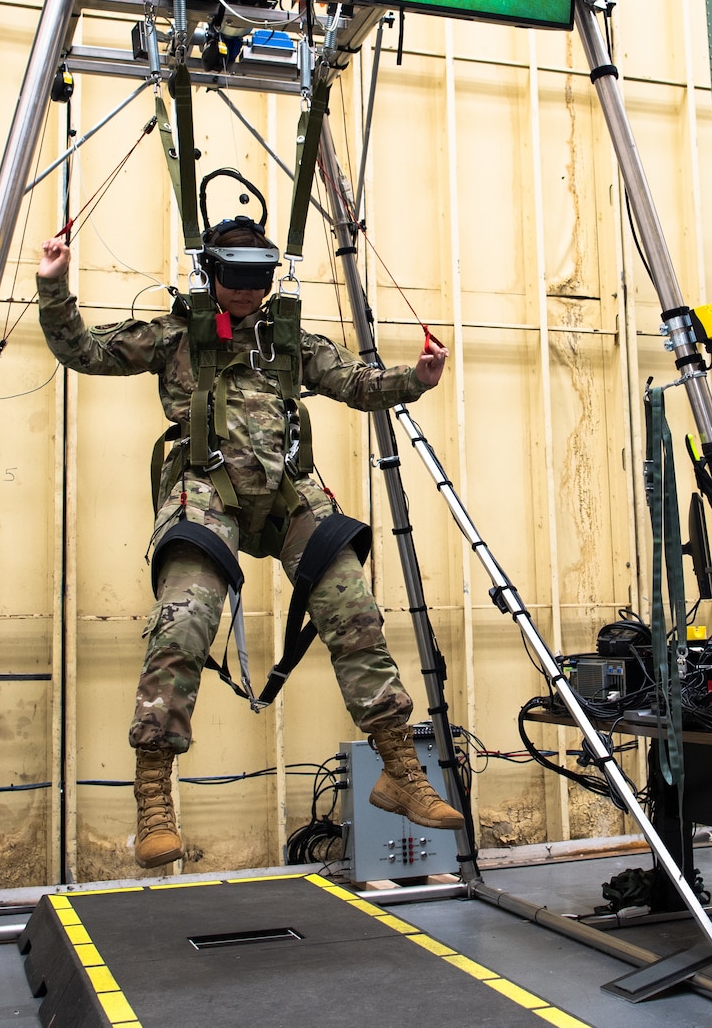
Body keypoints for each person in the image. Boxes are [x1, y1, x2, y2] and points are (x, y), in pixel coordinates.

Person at [36, 218, 462, 869]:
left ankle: (400, 770)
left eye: (259, 277)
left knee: (354, 609)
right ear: (211, 273)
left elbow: (355, 383)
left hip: (288, 490)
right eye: (235, 277)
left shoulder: (289, 343)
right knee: (184, 620)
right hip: (207, 490)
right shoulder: (176, 335)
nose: (248, 290)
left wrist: (417, 377)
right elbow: (83, 351)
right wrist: (55, 286)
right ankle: (154, 798)